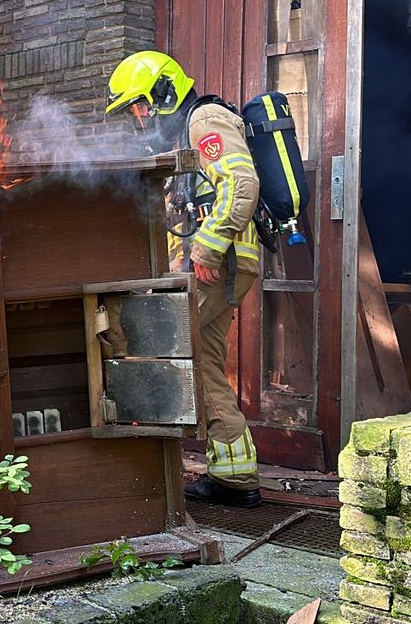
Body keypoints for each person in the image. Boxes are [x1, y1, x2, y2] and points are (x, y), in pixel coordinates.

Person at [105, 51, 262, 508]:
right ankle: (235, 477)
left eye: (140, 106)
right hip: (213, 266)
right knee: (203, 362)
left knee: (148, 345)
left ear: (164, 92)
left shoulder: (205, 119)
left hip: (215, 264)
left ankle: (143, 474)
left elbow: (241, 184)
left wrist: (207, 247)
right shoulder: (181, 137)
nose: (139, 118)